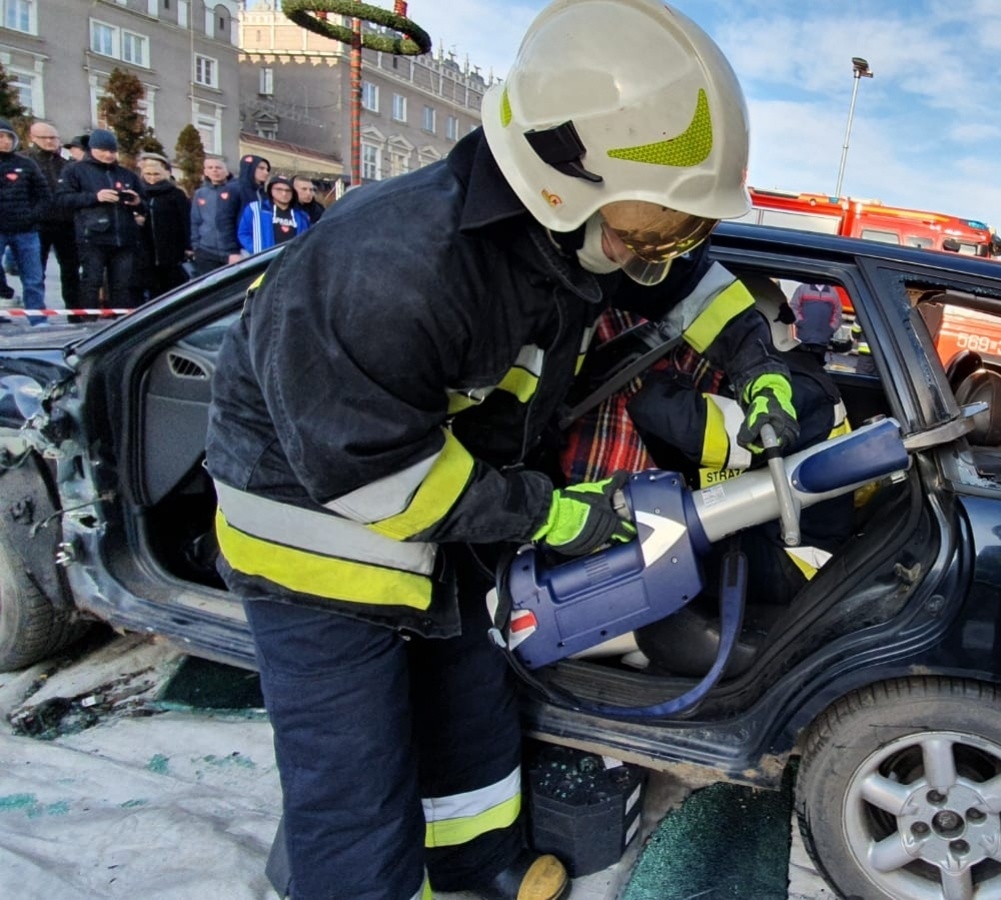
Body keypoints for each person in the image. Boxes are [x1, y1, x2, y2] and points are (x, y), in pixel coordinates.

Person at [203, 2, 793, 898]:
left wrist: (762, 368)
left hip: (446, 532)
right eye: (647, 226)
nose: (654, 248)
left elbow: (683, 281)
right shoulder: (393, 265)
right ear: (563, 168)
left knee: (471, 721)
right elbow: (377, 475)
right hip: (320, 554)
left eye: (675, 225)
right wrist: (554, 515)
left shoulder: (568, 236)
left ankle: (478, 873)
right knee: (356, 781)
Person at [55, 129, 144, 310]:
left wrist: (136, 202)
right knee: (91, 281)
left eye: (112, 151)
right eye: (103, 150)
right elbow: (62, 199)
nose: (108, 155)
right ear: (92, 149)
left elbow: (144, 204)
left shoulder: (127, 174)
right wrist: (96, 197)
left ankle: (120, 324)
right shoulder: (75, 170)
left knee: (121, 285)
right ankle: (89, 321)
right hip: (92, 236)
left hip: (124, 238)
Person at [0, 119, 50, 324]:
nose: (4, 141)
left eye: (8, 137)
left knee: (33, 278)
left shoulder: (26, 164)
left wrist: (32, 217)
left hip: (26, 231)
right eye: (0, 137)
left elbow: (44, 196)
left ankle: (38, 320)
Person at [24, 121, 80, 306]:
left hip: (67, 223)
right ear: (33, 138)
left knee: (71, 269)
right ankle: (36, 310)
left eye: (53, 138)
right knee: (35, 271)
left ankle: (74, 310)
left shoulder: (67, 165)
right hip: (38, 223)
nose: (50, 141)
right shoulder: (26, 162)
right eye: (44, 138)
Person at [134, 154, 191, 300]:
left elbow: (185, 220)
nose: (152, 178)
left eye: (156, 174)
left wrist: (188, 246)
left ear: (166, 173)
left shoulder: (176, 194)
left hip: (171, 252)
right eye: (148, 174)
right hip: (145, 252)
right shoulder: (138, 194)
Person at [190, 154, 242, 275]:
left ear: (226, 171)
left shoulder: (237, 190)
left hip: (231, 252)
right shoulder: (200, 194)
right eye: (210, 167)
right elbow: (195, 221)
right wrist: (196, 246)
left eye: (218, 167)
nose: (214, 170)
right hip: (206, 251)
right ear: (205, 172)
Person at [236, 175, 309, 255]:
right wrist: (255, 250)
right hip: (263, 260)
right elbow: (243, 233)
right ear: (270, 190)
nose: (284, 194)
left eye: (288, 190)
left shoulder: (302, 216)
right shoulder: (256, 209)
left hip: (290, 262)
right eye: (279, 189)